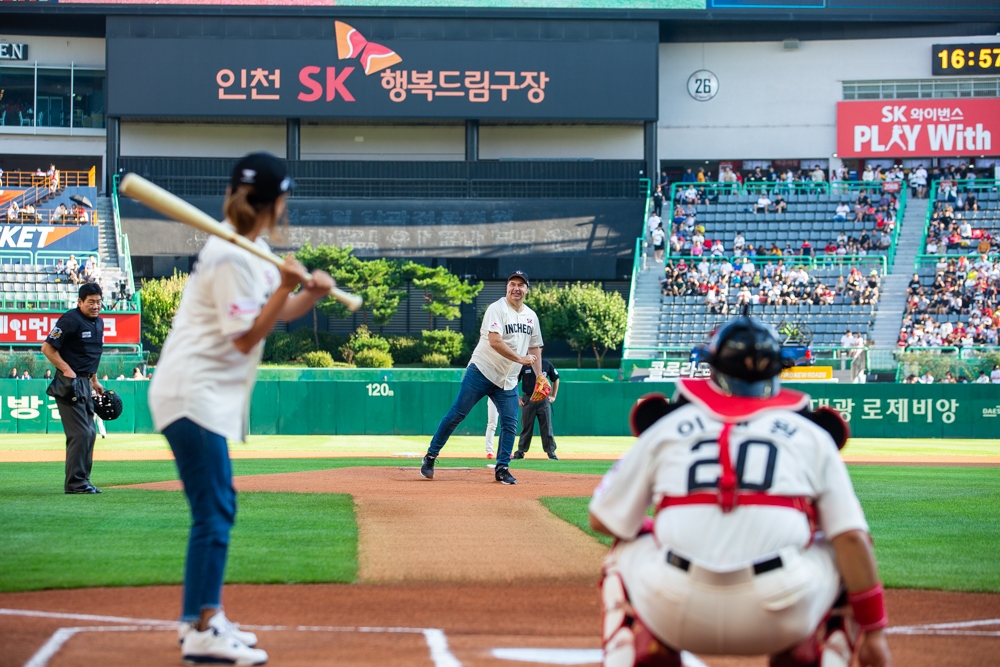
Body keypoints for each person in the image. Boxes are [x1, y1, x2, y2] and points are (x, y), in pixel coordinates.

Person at [588, 315, 892, 667]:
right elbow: (852, 539)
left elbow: (603, 519)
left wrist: (654, 529)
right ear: (778, 369)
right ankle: (820, 653)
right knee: (841, 547)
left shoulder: (668, 428)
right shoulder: (811, 436)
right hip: (784, 609)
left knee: (622, 553)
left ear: (712, 368)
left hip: (674, 606)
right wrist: (876, 631)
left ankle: (634, 653)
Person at [149, 152, 333, 666]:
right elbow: (243, 337)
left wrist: (305, 296)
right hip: (193, 394)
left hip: (198, 394)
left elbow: (265, 318)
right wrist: (284, 287)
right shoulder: (232, 255)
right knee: (215, 511)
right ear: (274, 201)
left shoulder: (247, 249)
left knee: (217, 506)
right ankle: (203, 627)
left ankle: (202, 617)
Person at [421, 270, 543, 486]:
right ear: (507, 287)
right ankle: (430, 456)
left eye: (521, 285)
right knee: (457, 413)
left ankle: (502, 468)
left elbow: (535, 347)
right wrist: (520, 358)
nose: (516, 288)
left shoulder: (531, 316)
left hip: (507, 380)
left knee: (510, 423)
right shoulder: (497, 309)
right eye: (512, 283)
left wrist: (540, 376)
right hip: (482, 370)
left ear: (526, 289)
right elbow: (495, 341)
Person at [41, 283, 106, 495]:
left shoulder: (99, 323)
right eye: (91, 302)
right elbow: (47, 348)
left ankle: (83, 481)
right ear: (79, 302)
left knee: (90, 433)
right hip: (70, 384)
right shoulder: (70, 319)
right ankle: (75, 483)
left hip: (86, 382)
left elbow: (91, 356)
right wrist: (67, 370)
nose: (96, 306)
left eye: (98, 302)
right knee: (81, 433)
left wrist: (94, 380)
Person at [512, 359, 560, 460]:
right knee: (526, 426)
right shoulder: (524, 364)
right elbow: (514, 380)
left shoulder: (546, 364)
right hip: (528, 399)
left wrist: (554, 396)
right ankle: (521, 452)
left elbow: (556, 378)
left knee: (546, 426)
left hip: (543, 399)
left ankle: (551, 452)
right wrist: (517, 397)